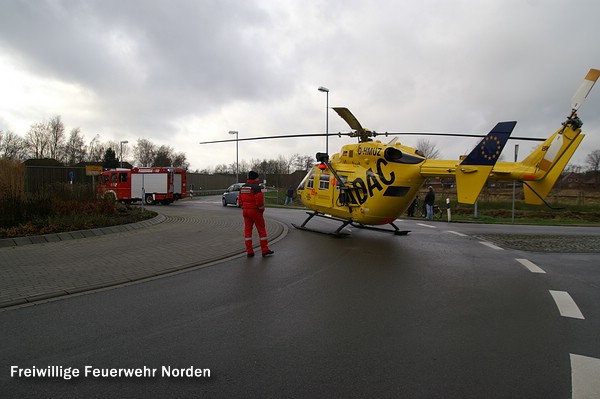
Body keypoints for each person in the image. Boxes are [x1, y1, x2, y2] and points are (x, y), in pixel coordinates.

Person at [238, 171, 274, 257]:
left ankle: (249, 251)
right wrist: (261, 210)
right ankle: (265, 250)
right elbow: (260, 202)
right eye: (257, 178)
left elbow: (240, 201)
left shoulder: (243, 187)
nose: (258, 179)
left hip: (245, 211)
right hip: (254, 211)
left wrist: (244, 207)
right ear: (255, 178)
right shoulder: (256, 187)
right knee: (261, 230)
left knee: (247, 231)